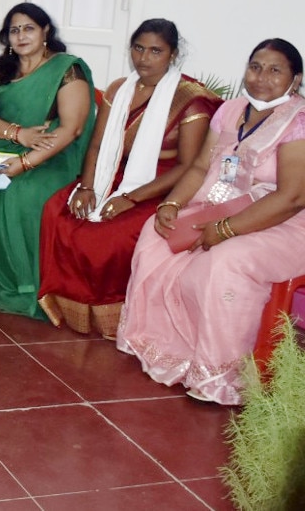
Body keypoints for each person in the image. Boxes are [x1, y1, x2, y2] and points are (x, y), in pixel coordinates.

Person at [117, 38, 305, 404]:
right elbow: (201, 166)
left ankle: (219, 372)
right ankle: (169, 351)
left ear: (294, 80)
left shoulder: (298, 124)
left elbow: (293, 197)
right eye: (255, 67)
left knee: (223, 261)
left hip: (284, 221)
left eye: (275, 70)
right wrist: (171, 204)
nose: (261, 78)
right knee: (156, 234)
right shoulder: (231, 110)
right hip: (219, 206)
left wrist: (225, 230)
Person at [37, 20, 220, 337]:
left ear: (172, 54)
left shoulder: (191, 100)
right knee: (58, 209)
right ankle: (68, 310)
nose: (144, 58)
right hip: (114, 172)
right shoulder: (119, 89)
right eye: (138, 48)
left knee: (107, 236)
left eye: (155, 51)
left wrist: (131, 198)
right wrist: (87, 186)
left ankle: (112, 316)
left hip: (162, 185)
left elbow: (188, 167)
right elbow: (97, 144)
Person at [0, 3, 96, 320]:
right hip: (9, 145)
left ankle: (24, 285)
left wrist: (25, 163)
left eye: (29, 28)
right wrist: (16, 133)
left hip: (55, 154)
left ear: (46, 31)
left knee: (19, 194)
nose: (21, 36)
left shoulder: (67, 68)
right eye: (14, 30)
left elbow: (72, 128)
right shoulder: (1, 70)